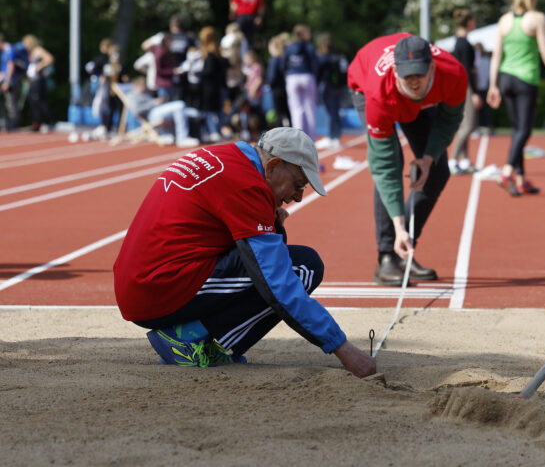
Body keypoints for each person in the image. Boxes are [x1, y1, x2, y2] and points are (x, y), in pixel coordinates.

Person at [112, 126, 375, 376]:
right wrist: (342, 347)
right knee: (303, 268)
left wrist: (268, 218)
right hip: (155, 289)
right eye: (298, 183)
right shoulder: (247, 185)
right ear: (272, 167)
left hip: (142, 284)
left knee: (275, 261)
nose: (297, 197)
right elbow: (277, 281)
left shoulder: (227, 157)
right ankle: (187, 337)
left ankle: (191, 334)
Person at [348, 33, 467, 286]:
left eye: (420, 74)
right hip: (368, 87)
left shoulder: (454, 74)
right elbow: (385, 167)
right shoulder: (380, 94)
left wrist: (428, 157)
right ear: (395, 70)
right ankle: (387, 257)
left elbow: (449, 121)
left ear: (432, 67)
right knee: (394, 165)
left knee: (436, 171)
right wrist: (398, 225)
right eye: (407, 75)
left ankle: (405, 250)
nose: (414, 81)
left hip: (422, 102)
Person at [486, 0, 545, 196]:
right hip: (525, 79)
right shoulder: (537, 18)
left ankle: (521, 179)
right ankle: (507, 172)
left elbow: (496, 55)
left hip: (505, 78)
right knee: (524, 131)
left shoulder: (504, 21)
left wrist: (493, 85)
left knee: (517, 132)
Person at [448, 9, 483, 174]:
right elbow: (466, 70)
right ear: (468, 22)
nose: (475, 24)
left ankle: (465, 160)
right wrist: (475, 92)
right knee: (467, 126)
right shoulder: (464, 44)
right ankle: (453, 160)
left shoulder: (459, 42)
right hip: (466, 87)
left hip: (462, 85)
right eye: (473, 20)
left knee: (466, 124)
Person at [284, 24, 319, 141]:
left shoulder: (289, 47)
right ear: (303, 34)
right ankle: (311, 140)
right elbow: (315, 64)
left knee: (296, 110)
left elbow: (283, 64)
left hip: (292, 77)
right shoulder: (309, 47)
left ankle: (297, 140)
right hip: (307, 76)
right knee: (310, 109)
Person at [315, 32, 349, 150]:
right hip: (338, 87)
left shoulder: (322, 57)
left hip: (327, 86)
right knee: (335, 110)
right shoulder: (338, 55)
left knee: (330, 112)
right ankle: (336, 136)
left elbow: (318, 72)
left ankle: (332, 137)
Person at [197, 27, 227, 143]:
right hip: (216, 86)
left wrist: (198, 71)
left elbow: (208, 71)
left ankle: (213, 131)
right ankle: (215, 131)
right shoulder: (216, 52)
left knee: (209, 110)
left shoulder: (209, 54)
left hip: (209, 87)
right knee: (216, 110)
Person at [21, 34, 55, 132]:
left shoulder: (38, 50)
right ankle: (37, 123)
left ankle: (52, 121)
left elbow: (50, 58)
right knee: (33, 102)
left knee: (39, 101)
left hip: (39, 80)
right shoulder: (29, 53)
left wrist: (39, 66)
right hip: (32, 80)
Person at [0, 33, 29, 131]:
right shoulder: (4, 51)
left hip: (13, 81)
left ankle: (14, 126)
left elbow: (10, 66)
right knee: (9, 104)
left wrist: (7, 82)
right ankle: (10, 125)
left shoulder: (9, 50)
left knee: (12, 104)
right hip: (7, 80)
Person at [266, 32, 291, 128]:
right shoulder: (285, 59)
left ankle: (280, 135)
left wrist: (270, 84)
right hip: (285, 88)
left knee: (279, 113)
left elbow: (272, 76)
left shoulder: (274, 60)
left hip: (277, 89)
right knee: (288, 113)